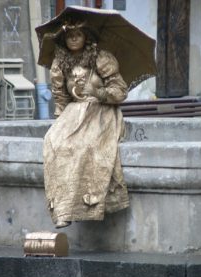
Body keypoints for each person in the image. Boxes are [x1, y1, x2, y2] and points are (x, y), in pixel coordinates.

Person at [43, 21, 129, 228]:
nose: (73, 38)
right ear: (63, 38)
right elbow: (60, 97)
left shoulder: (101, 58)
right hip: (74, 113)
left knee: (86, 146)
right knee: (53, 142)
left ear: (86, 37)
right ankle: (64, 210)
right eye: (69, 35)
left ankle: (88, 205)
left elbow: (120, 91)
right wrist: (61, 125)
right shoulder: (60, 63)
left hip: (101, 112)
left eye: (78, 34)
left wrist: (99, 93)